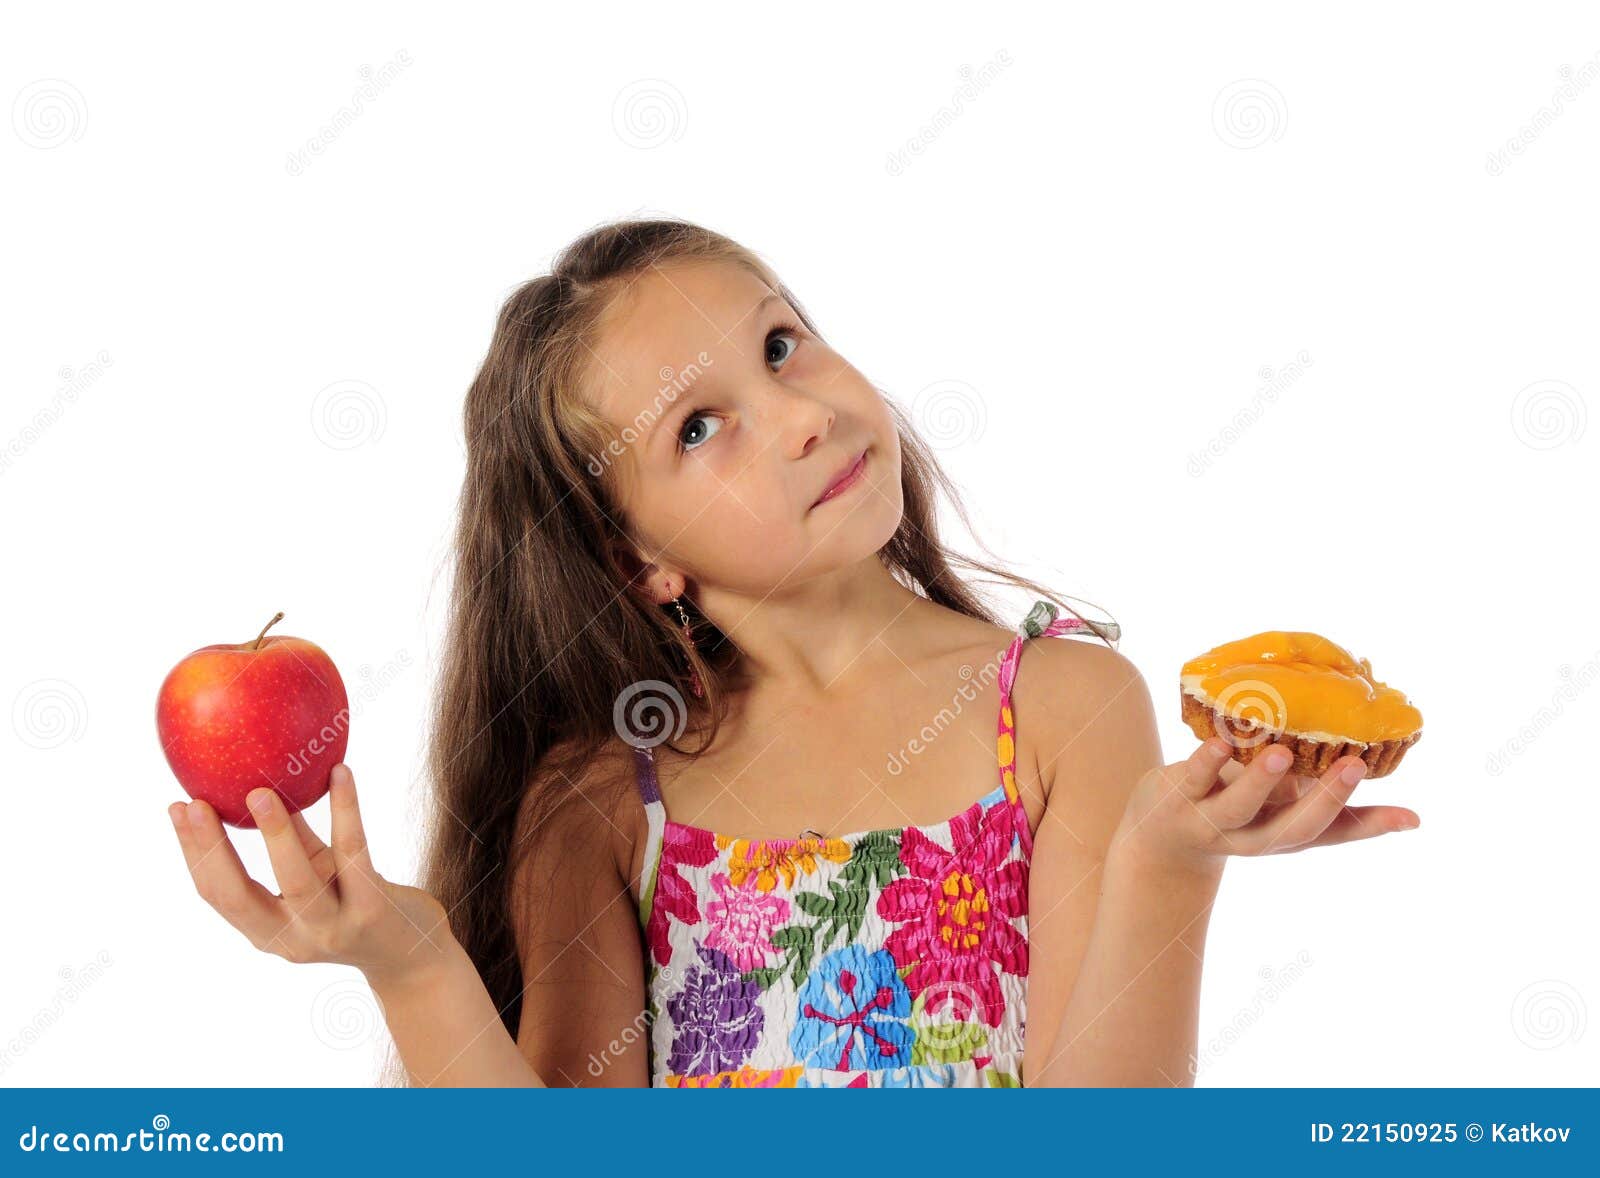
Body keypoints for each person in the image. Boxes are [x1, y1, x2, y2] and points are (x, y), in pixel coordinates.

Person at [167, 217, 1419, 1087]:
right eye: (701, 427)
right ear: (631, 557)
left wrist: (1169, 859)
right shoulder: (606, 802)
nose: (803, 416)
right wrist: (408, 957)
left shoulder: (1063, 705)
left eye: (780, 346)